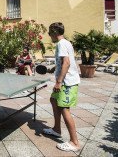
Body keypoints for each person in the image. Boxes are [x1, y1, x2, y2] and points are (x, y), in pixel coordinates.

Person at [42, 22, 81, 152]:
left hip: (67, 82)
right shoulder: (66, 43)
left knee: (64, 109)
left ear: (54, 32)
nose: (49, 35)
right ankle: (56, 129)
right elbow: (62, 62)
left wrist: (58, 82)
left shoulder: (61, 44)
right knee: (53, 100)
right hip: (64, 80)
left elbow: (67, 63)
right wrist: (53, 69)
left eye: (49, 33)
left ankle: (74, 143)